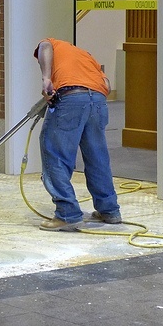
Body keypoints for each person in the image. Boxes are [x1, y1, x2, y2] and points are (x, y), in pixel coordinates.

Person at [34, 38, 121, 231]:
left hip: (70, 97)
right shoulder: (87, 57)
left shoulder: (52, 43)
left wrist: (46, 79)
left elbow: (44, 46)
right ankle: (109, 211)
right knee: (97, 157)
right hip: (97, 100)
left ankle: (67, 214)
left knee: (55, 154)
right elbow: (106, 84)